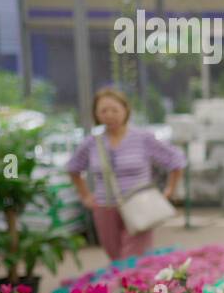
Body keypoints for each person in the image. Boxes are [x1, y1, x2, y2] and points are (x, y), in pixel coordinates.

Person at [67, 88, 186, 261]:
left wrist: (170, 190)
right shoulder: (92, 143)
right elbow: (73, 167)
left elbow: (176, 160)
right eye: (103, 111)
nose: (109, 115)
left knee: (134, 259)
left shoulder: (142, 138)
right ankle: (125, 287)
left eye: (114, 110)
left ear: (125, 110)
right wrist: (85, 195)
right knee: (115, 258)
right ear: (96, 114)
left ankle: (131, 287)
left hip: (139, 206)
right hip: (105, 207)